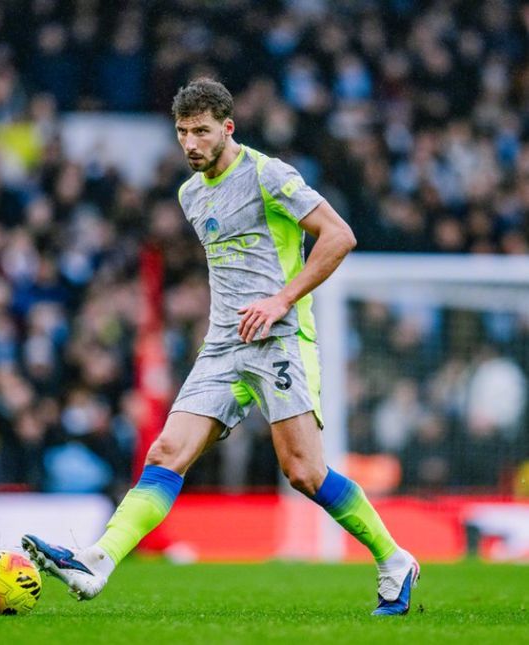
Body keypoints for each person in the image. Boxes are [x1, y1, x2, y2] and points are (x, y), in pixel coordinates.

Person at [22, 79, 419, 616]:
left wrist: (280, 300)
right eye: (182, 132)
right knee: (166, 453)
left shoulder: (268, 175)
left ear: (228, 128)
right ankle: (97, 561)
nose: (191, 143)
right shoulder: (190, 194)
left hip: (280, 340)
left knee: (304, 471)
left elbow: (339, 236)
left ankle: (395, 559)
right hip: (224, 346)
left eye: (202, 132)